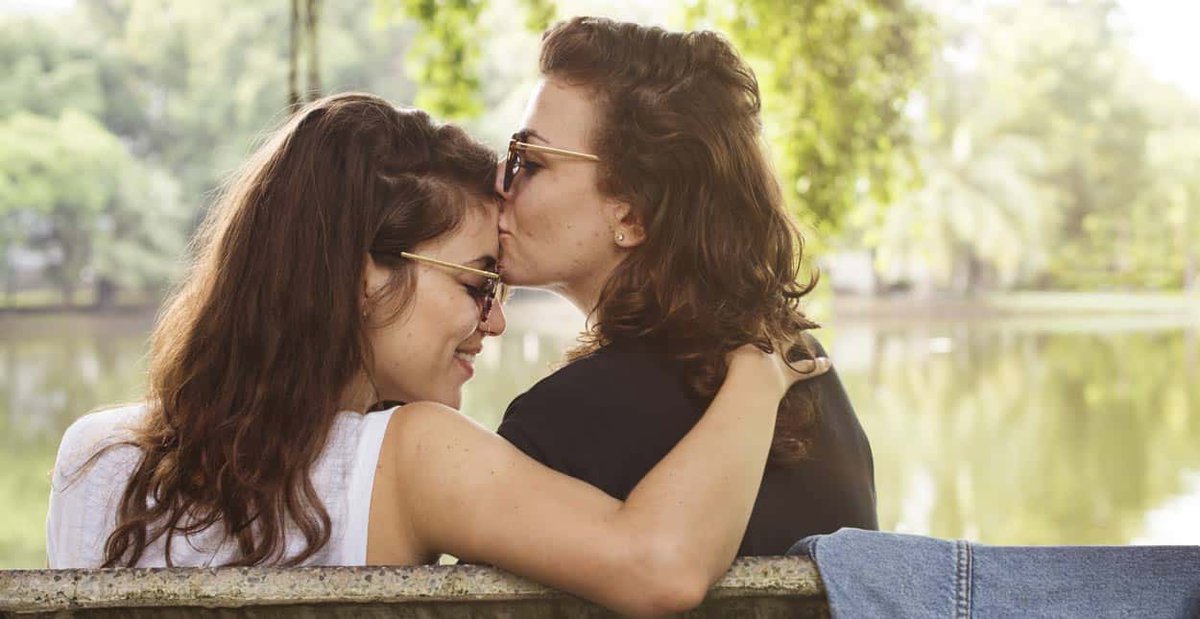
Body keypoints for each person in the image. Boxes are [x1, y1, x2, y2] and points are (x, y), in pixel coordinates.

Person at [45, 93, 828, 617]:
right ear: (363, 276)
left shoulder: (95, 453)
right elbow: (661, 564)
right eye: (477, 282)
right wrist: (760, 370)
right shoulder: (408, 455)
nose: (493, 323)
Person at [494, 16, 878, 556]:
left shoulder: (562, 420)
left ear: (633, 214)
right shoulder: (804, 372)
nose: (499, 185)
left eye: (528, 161)